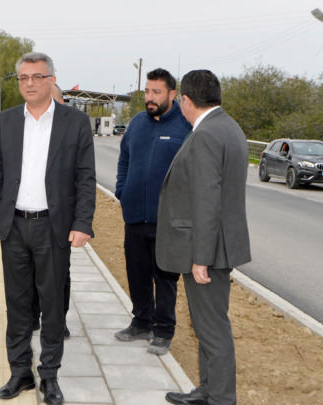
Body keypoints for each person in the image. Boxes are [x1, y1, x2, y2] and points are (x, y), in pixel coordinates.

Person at [0, 52, 96, 405]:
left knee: (52, 305)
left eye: (37, 77)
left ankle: (49, 376)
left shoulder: (75, 122)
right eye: (23, 78)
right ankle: (20, 373)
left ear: (51, 80)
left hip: (53, 228)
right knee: (17, 304)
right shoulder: (7, 120)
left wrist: (82, 222)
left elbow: (85, 177)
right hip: (13, 226)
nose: (29, 83)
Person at [156, 69, 251, 405]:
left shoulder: (207, 134)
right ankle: (208, 390)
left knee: (212, 327)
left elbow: (207, 200)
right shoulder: (227, 126)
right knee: (208, 324)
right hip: (219, 245)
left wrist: (201, 258)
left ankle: (221, 398)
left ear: (186, 100)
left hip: (209, 250)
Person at [113, 68, 191, 355]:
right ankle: (141, 322)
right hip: (134, 215)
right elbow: (124, 159)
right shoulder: (136, 123)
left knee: (165, 278)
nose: (150, 97)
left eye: (156, 92)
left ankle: (163, 330)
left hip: (167, 220)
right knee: (137, 273)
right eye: (147, 91)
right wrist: (122, 190)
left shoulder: (185, 126)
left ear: (172, 94)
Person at [30, 83, 71, 339]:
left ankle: (58, 319)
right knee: (30, 273)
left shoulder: (70, 128)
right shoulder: (29, 127)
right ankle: (32, 315)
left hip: (58, 220)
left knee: (59, 276)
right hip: (28, 217)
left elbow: (83, 176)